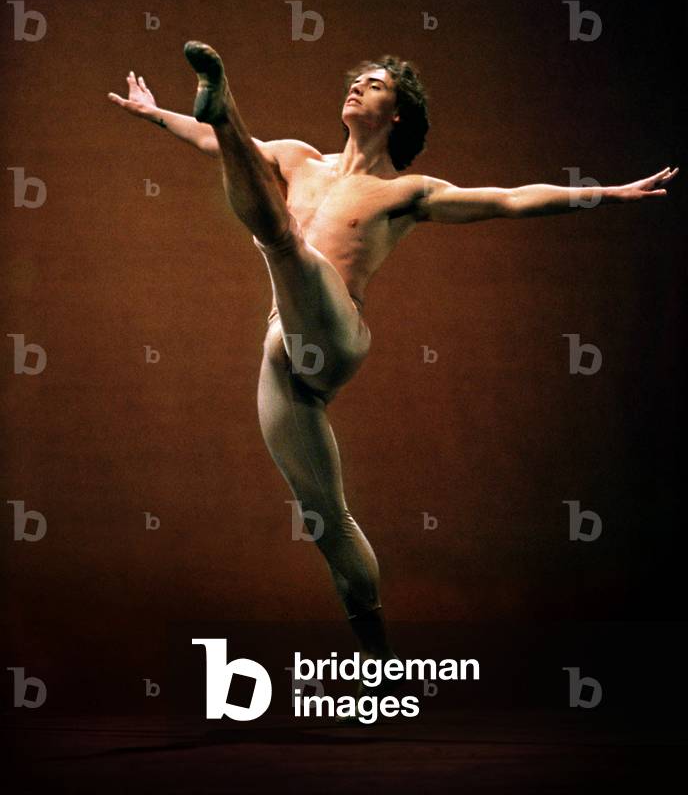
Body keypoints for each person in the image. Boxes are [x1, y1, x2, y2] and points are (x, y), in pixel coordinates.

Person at [108, 42, 678, 717]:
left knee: (282, 240)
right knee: (326, 521)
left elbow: (508, 200)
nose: (356, 89)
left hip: (335, 335)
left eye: (373, 85)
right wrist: (153, 114)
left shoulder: (406, 192)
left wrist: (604, 194)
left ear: (398, 115)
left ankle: (225, 98)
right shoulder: (297, 159)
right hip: (285, 361)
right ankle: (382, 665)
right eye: (355, 81)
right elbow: (207, 140)